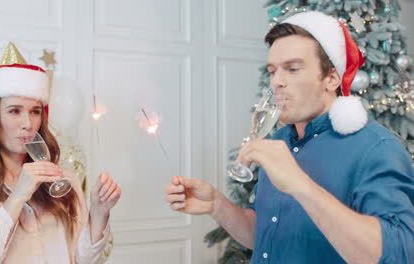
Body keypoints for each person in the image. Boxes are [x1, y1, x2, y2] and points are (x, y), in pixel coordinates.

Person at [165, 11, 413, 264]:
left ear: (332, 78)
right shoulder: (281, 140)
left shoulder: (376, 148)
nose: (277, 82)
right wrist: (218, 205)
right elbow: (266, 234)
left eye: (292, 69)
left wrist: (299, 184)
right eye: (272, 71)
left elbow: (398, 255)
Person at [0, 43, 121, 264]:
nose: (28, 124)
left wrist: (99, 212)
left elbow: (83, 260)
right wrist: (18, 195)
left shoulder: (64, 179)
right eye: (14, 111)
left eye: (35, 112)